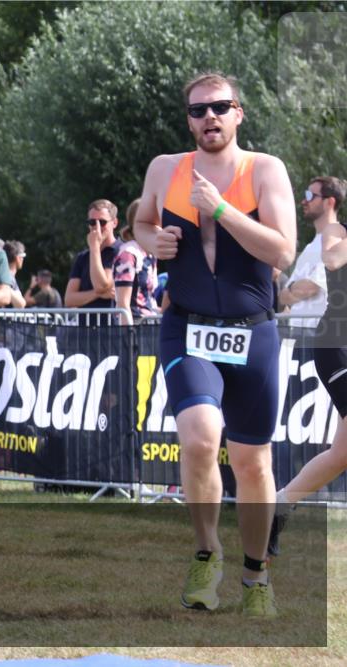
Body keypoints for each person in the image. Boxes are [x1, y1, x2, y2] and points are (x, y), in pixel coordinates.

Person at [133, 72, 297, 617]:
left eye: (220, 108)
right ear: (189, 119)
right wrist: (148, 238)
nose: (210, 118)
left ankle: (256, 576)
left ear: (238, 113)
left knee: (253, 463)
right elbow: (140, 219)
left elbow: (283, 253)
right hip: (187, 325)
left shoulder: (264, 170)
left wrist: (222, 209)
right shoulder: (165, 168)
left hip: (253, 330)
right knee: (201, 438)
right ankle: (207, 552)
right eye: (199, 110)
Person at [269, 176, 347, 557]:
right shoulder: (336, 231)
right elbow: (332, 260)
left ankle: (279, 505)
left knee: (341, 454)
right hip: (336, 345)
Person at [278, 177, 339, 329]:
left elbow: (311, 287)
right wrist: (296, 289)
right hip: (300, 335)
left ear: (329, 202)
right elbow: (284, 297)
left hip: (321, 336)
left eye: (310, 196)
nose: (304, 201)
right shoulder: (310, 247)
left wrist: (293, 289)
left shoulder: (338, 241)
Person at [64, 199, 122, 311]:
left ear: (114, 223)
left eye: (102, 222)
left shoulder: (122, 251)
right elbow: (69, 299)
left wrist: (94, 247)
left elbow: (101, 285)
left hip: (113, 325)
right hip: (86, 326)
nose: (97, 227)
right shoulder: (83, 257)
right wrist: (97, 294)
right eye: (92, 222)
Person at [113, 199, 159, 325]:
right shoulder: (128, 254)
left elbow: (148, 300)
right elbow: (123, 303)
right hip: (135, 326)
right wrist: (127, 336)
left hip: (150, 324)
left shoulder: (151, 253)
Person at [3, 240, 27, 308]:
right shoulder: (8, 278)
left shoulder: (6, 276)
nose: (22, 259)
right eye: (22, 257)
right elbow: (20, 306)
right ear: (18, 258)